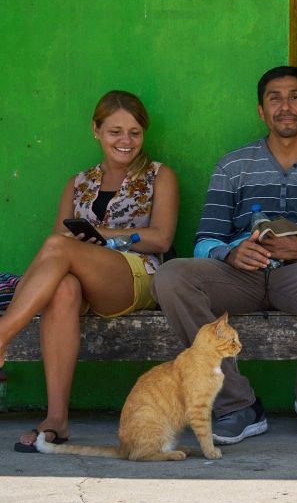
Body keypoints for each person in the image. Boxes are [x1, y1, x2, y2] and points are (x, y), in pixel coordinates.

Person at [151, 66, 297, 444]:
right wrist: (231, 254)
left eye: (295, 97)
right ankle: (237, 405)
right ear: (261, 111)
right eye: (274, 98)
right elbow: (204, 241)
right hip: (240, 275)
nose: (286, 107)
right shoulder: (233, 164)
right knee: (170, 277)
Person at [1, 91, 179, 452]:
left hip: (138, 274)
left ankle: (2, 333)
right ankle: (56, 419)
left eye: (134, 132)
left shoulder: (159, 176)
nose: (126, 141)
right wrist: (81, 246)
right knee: (62, 286)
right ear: (95, 130)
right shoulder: (78, 183)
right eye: (115, 131)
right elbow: (58, 247)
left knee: (59, 245)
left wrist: (102, 235)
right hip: (85, 282)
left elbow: (161, 238)